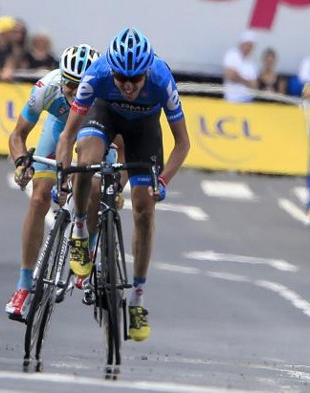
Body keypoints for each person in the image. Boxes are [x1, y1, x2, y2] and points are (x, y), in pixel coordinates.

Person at [55, 27, 190, 342]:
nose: (128, 87)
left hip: (144, 129)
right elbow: (67, 135)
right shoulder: (97, 75)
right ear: (111, 71)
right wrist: (64, 171)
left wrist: (164, 179)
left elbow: (182, 143)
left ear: (146, 73)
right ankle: (79, 230)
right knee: (86, 161)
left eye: (135, 80)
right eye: (122, 80)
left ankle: (137, 299)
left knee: (144, 210)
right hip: (104, 115)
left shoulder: (161, 80)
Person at [5, 44, 100, 321]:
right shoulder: (47, 86)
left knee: (93, 187)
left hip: (91, 131)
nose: (73, 91)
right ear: (61, 77)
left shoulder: (103, 92)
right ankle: (24, 285)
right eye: (69, 84)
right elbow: (18, 134)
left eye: (80, 85)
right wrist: (22, 162)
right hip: (58, 127)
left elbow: (118, 142)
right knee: (38, 198)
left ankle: (89, 249)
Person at [222, 31, 258, 103]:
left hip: (247, 103)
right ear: (241, 44)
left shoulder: (252, 64)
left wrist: (239, 77)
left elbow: (255, 86)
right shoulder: (232, 55)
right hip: (232, 101)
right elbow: (231, 75)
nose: (248, 48)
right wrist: (247, 81)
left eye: (251, 46)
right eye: (247, 44)